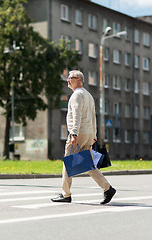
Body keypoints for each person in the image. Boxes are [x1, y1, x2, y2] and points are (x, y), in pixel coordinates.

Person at [51, 70, 116, 204]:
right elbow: (93, 116)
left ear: (79, 80)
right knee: (88, 164)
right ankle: (107, 188)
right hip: (88, 134)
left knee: (68, 162)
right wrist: (94, 134)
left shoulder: (76, 95)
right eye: (68, 78)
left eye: (71, 78)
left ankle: (66, 194)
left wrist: (73, 133)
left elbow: (77, 115)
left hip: (78, 133)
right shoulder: (88, 95)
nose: (68, 80)